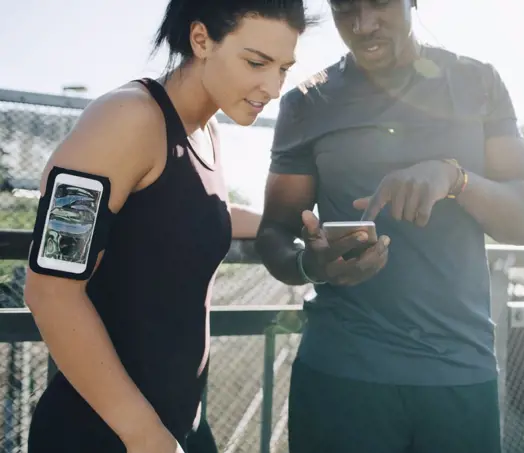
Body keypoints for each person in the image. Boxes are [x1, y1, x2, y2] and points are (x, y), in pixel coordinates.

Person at [255, 0, 524, 452]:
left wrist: (454, 177)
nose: (363, 25)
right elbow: (273, 233)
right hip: (341, 377)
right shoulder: (306, 102)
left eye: (379, 5)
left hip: (459, 373)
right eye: (345, 9)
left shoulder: (477, 82)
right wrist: (312, 266)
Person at [23, 1, 314, 452]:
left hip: (181, 426)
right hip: (106, 434)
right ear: (201, 40)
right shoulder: (124, 120)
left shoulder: (205, 129)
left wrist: (291, 227)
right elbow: (50, 291)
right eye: (256, 63)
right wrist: (144, 436)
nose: (273, 87)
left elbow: (187, 213)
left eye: (283, 68)